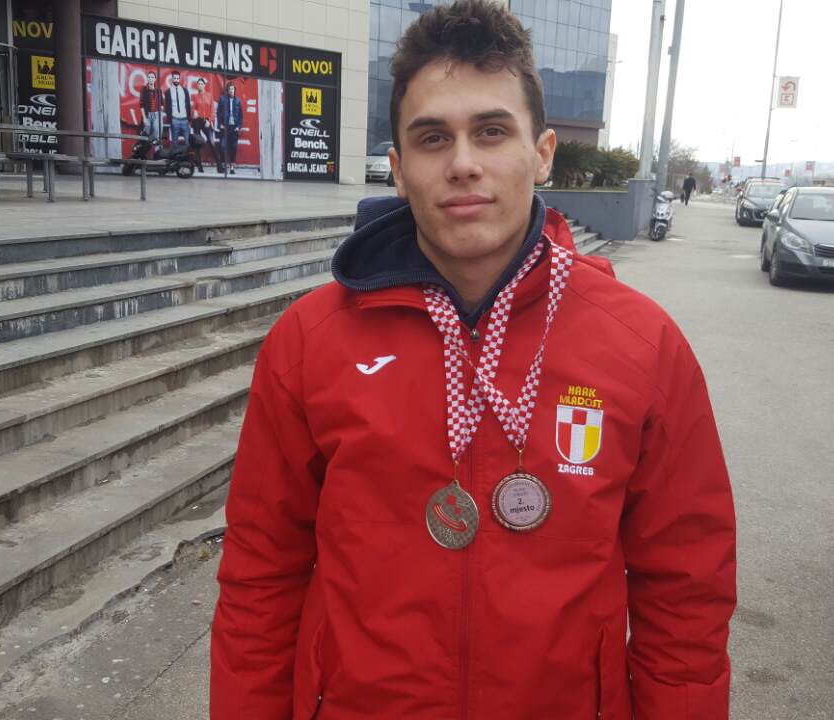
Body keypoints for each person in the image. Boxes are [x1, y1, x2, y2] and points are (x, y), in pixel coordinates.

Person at [210, 2, 736, 719]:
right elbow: (259, 575)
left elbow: (687, 592)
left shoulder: (642, 345)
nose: (463, 164)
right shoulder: (310, 342)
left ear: (542, 153)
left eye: (491, 131)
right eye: (433, 138)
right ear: (399, 170)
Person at [190, 77, 216, 173]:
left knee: (211, 142)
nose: (200, 85)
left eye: (202, 84)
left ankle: (219, 165)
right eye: (199, 84)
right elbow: (193, 109)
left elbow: (212, 110)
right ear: (197, 85)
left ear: (204, 85)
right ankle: (200, 166)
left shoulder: (209, 95)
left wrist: (210, 120)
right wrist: (194, 113)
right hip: (197, 121)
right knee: (197, 143)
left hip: (206, 121)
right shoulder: (195, 96)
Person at [163, 70, 193, 152]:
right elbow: (167, 107)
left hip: (184, 119)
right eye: (174, 78)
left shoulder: (185, 91)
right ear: (172, 79)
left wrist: (189, 119)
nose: (176, 80)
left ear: (179, 79)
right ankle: (176, 158)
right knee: (174, 142)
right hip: (174, 119)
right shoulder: (168, 92)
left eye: (177, 78)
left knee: (188, 142)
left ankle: (187, 158)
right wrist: (170, 119)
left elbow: (188, 105)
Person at [216, 82, 242, 174]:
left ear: (235, 90)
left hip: (234, 128)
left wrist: (238, 127)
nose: (231, 91)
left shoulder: (238, 101)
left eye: (233, 89)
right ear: (227, 90)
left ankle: (232, 167)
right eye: (230, 89)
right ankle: (224, 165)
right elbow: (218, 113)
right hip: (225, 127)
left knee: (233, 148)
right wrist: (220, 124)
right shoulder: (222, 99)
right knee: (223, 146)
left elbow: (241, 116)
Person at [138, 71, 162, 142]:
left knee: (157, 130)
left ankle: (154, 143)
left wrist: (159, 113)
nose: (151, 79)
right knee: (147, 130)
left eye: (152, 77)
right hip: (147, 113)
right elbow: (141, 104)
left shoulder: (158, 90)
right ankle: (144, 136)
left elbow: (162, 104)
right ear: (147, 79)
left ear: (155, 79)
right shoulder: (144, 89)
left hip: (156, 114)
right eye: (149, 77)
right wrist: (144, 118)